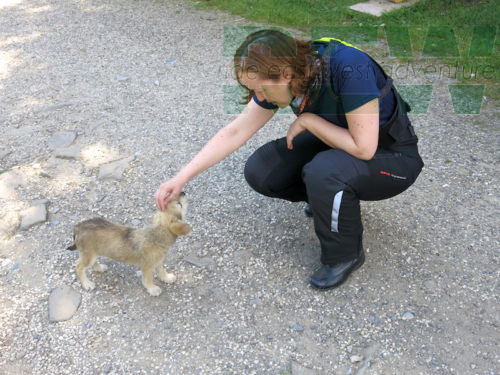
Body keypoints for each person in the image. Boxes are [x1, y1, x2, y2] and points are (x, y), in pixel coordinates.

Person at [154, 29, 423, 290]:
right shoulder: (288, 72)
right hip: (339, 141)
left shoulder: (349, 68)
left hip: (391, 156)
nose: (259, 98)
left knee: (325, 171)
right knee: (263, 169)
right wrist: (181, 177)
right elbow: (235, 131)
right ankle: (326, 202)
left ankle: (345, 255)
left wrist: (308, 120)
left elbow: (364, 148)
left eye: (261, 90)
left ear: (284, 75)